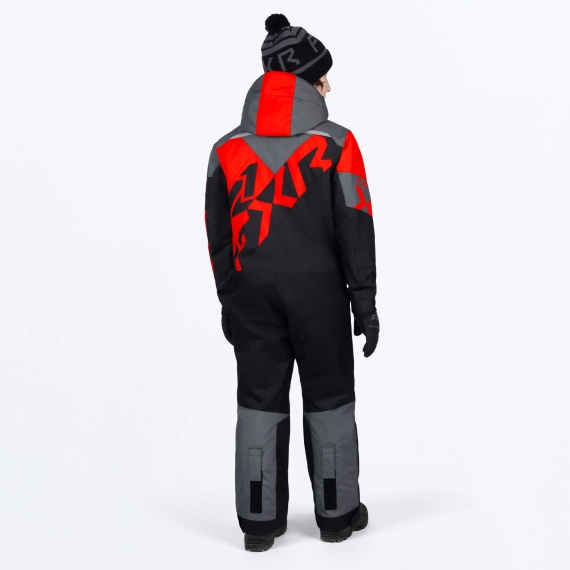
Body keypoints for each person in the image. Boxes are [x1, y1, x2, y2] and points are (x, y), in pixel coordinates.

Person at [204, 13, 379, 552]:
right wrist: (364, 301)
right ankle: (337, 516)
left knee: (259, 402)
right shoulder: (337, 143)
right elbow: (355, 225)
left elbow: (217, 234)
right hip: (320, 295)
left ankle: (259, 525)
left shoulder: (226, 149)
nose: (329, 86)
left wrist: (230, 299)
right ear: (305, 81)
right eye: (323, 77)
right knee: (329, 397)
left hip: (252, 295)